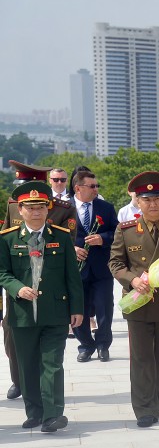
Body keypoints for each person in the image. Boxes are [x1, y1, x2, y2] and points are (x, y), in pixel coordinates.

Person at [109, 172, 159, 428]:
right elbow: (115, 263)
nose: (153, 204)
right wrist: (133, 280)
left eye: (157, 198)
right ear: (138, 202)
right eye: (146, 200)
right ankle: (145, 407)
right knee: (142, 358)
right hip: (139, 302)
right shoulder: (126, 230)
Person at [0, 180, 84, 432]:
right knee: (27, 365)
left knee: (52, 363)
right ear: (20, 210)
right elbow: (2, 272)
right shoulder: (7, 238)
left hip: (55, 311)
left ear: (47, 209)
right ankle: (34, 412)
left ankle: (53, 414)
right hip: (22, 313)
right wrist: (17, 288)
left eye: (40, 207)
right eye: (30, 207)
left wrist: (78, 309)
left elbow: (72, 275)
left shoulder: (61, 236)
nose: (36, 212)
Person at [71, 169, 118, 362]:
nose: (96, 189)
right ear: (78, 188)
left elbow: (117, 233)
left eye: (97, 185)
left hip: (101, 269)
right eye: (92, 186)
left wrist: (103, 238)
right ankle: (85, 345)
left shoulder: (106, 208)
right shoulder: (64, 208)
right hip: (76, 270)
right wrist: (72, 248)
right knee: (78, 308)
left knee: (104, 308)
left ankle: (102, 345)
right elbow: (54, 235)